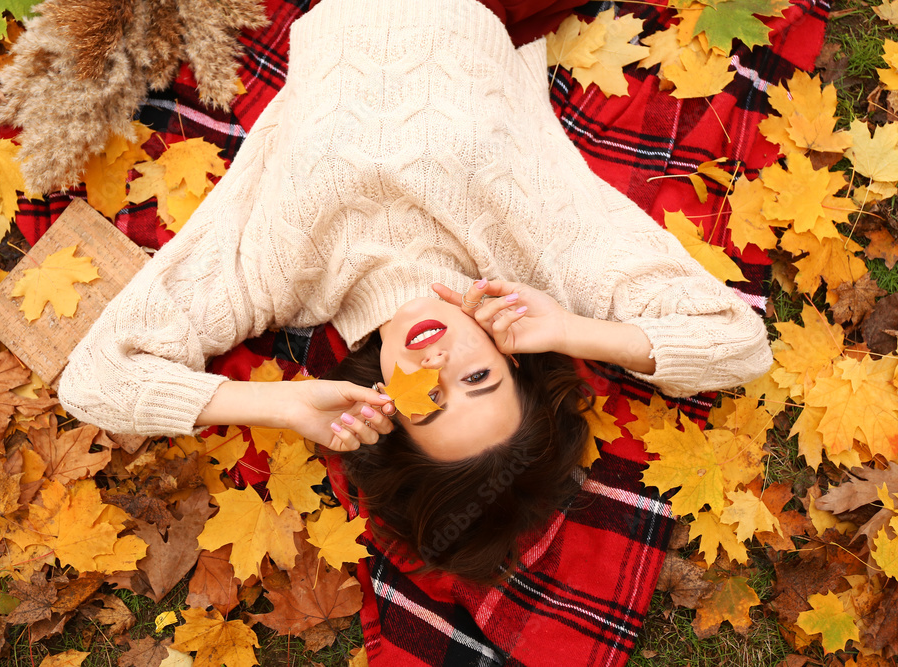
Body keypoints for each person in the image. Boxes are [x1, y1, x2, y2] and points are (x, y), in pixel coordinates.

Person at [56, 0, 773, 583]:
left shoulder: (280, 274)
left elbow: (97, 380)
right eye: (479, 378)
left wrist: (281, 404)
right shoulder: (538, 256)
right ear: (513, 357)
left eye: (429, 398)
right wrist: (571, 330)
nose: (440, 362)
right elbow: (738, 345)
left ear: (384, 407)